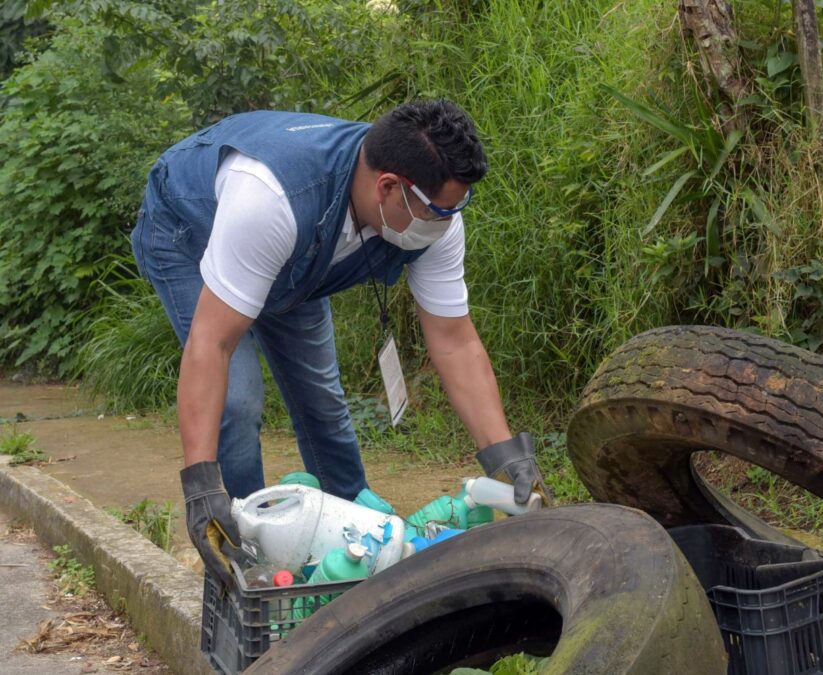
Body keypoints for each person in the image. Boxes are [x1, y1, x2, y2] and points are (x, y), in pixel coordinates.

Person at [131, 100, 551, 587]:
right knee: (237, 404)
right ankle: (247, 552)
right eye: (438, 211)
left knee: (323, 404)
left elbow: (454, 341)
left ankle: (361, 543)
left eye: (455, 208)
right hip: (192, 230)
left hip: (299, 260)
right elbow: (213, 343)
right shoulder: (271, 199)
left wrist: (505, 458)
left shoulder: (432, 216)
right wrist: (200, 487)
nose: (447, 221)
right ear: (388, 186)